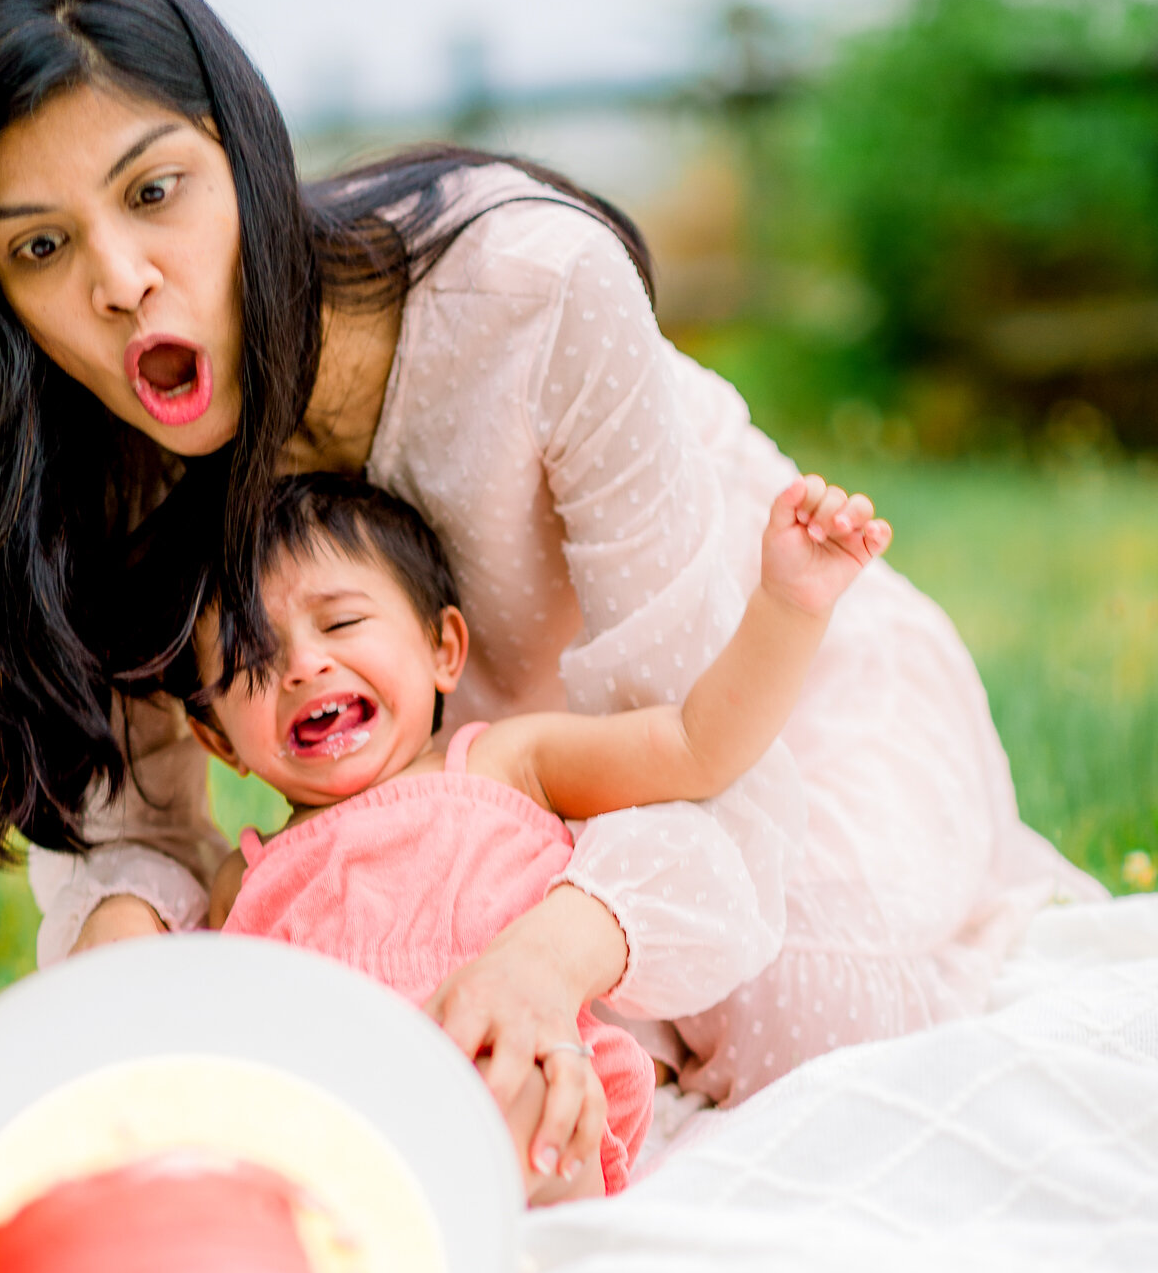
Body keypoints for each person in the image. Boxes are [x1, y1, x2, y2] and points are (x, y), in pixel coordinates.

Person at [0, 0, 1098, 1179]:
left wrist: (542, 959)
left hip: (758, 696)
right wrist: (120, 992)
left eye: (153, 192)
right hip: (461, 841)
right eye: (40, 247)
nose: (123, 284)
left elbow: (701, 760)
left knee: (799, 1031)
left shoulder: (531, 288)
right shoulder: (86, 473)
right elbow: (131, 834)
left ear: (241, 151)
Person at [187, 469, 888, 1201]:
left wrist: (789, 606)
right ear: (218, 740)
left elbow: (696, 745)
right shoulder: (243, 881)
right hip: (333, 1130)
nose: (303, 665)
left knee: (509, 1101)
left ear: (443, 649)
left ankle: (523, 1256)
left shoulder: (503, 762)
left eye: (339, 623)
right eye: (252, 659)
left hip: (509, 1075)